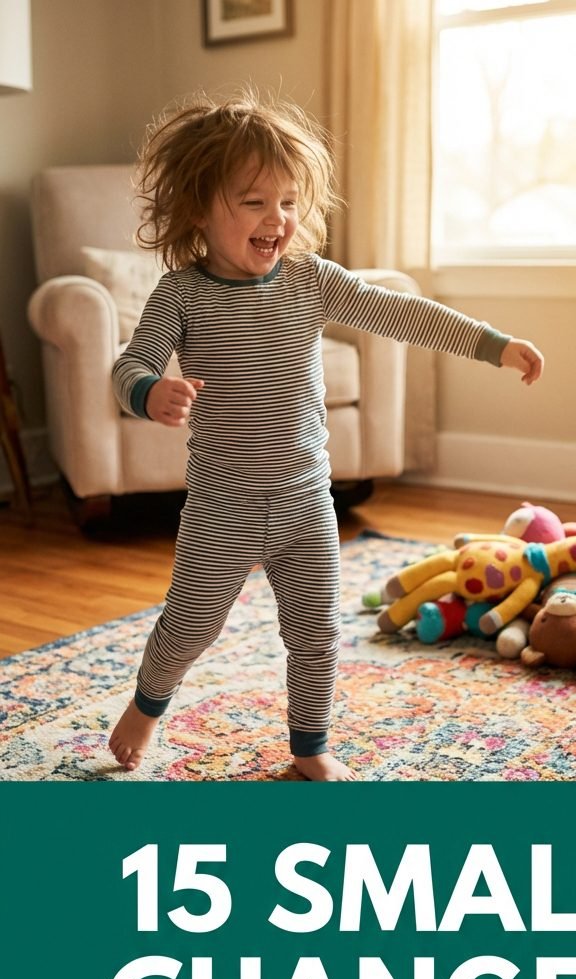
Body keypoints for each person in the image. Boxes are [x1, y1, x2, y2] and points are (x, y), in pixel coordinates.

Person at [109, 89, 544, 781]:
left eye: (286, 201)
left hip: (308, 500)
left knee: (315, 633)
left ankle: (309, 748)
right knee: (189, 627)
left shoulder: (312, 280)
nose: (276, 219)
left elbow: (401, 314)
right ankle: (145, 705)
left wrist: (492, 344)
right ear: (198, 208)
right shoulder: (181, 294)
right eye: (253, 202)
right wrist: (149, 390)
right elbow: (129, 364)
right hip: (223, 507)